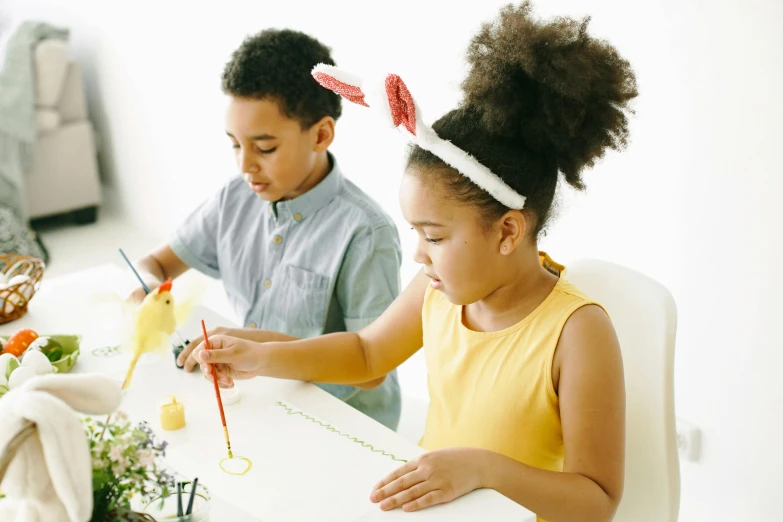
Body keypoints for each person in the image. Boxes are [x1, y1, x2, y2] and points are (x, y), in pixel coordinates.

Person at [192, 4, 637, 521]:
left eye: (435, 236)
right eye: (415, 233)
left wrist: (483, 469)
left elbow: (598, 500)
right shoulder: (439, 289)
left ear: (508, 231)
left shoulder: (578, 333)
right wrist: (258, 356)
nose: (418, 253)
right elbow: (364, 354)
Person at [129, 29, 403, 430]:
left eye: (265, 147)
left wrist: (253, 349)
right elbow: (154, 263)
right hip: (262, 400)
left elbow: (371, 368)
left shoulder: (365, 232)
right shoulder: (234, 199)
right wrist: (144, 290)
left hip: (342, 425)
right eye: (235, 144)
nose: (245, 166)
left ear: (322, 134)